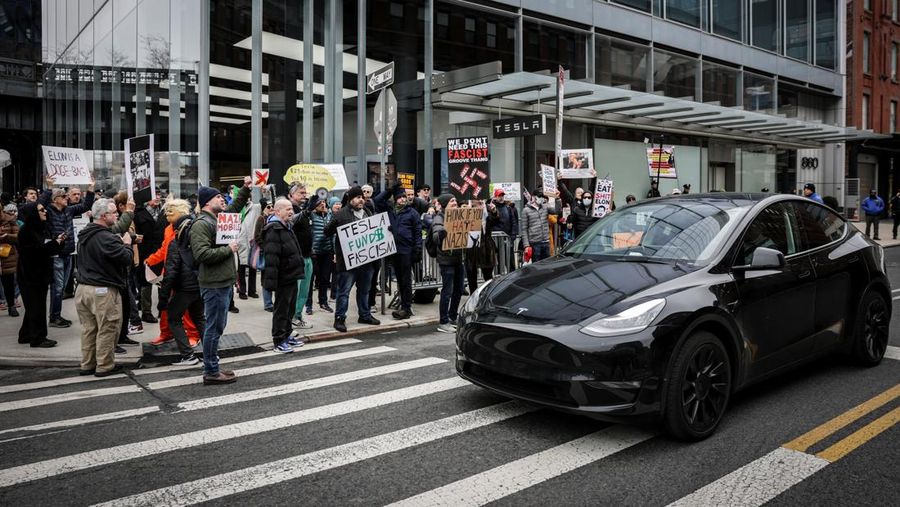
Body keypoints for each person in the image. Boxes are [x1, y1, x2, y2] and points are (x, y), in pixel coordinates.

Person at [191, 178, 252, 385]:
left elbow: (234, 208)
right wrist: (229, 249)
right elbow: (201, 254)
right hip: (214, 285)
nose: (223, 199)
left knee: (217, 327)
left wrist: (245, 189)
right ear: (208, 202)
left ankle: (213, 366)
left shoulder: (218, 219)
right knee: (213, 328)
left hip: (223, 282)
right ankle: (211, 371)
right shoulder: (202, 224)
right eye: (218, 196)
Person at [75, 198, 134, 377]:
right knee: (108, 328)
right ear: (103, 215)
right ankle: (105, 365)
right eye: (114, 212)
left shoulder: (86, 233)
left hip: (83, 289)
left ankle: (88, 364)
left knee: (89, 329)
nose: (117, 215)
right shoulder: (105, 237)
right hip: (102, 290)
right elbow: (126, 258)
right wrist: (127, 244)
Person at [145, 199, 202, 351]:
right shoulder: (168, 229)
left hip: (184, 275)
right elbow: (165, 249)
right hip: (169, 272)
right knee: (165, 307)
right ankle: (166, 333)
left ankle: (193, 334)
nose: (168, 213)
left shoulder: (190, 226)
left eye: (172, 210)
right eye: (167, 210)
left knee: (187, 309)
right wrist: (150, 260)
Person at [324, 185, 381, 332]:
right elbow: (327, 232)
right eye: (358, 197)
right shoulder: (341, 214)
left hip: (366, 261)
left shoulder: (368, 212)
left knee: (364, 290)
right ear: (350, 199)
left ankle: (365, 315)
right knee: (344, 291)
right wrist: (333, 223)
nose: (361, 200)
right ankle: (340, 318)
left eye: (362, 197)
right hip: (348, 262)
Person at [39, 182, 95, 328]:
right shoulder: (48, 211)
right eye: (63, 196)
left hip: (68, 253)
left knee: (61, 287)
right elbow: (39, 204)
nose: (66, 198)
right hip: (56, 254)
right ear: (54, 199)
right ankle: (54, 318)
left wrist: (90, 189)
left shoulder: (69, 210)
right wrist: (49, 188)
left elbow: (85, 206)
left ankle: (56, 316)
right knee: (57, 288)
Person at [17, 202, 65, 347]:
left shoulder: (39, 228)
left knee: (34, 306)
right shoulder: (26, 231)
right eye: (41, 210)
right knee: (37, 306)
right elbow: (35, 252)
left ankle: (26, 334)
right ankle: (38, 338)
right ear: (33, 213)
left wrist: (58, 242)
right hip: (31, 276)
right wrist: (55, 243)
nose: (45, 212)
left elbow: (45, 249)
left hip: (38, 274)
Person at [263, 198, 306, 353]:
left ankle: (287, 335)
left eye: (291, 209)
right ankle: (279, 340)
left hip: (291, 275)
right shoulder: (273, 229)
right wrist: (271, 283)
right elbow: (271, 258)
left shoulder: (286, 226)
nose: (291, 211)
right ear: (277, 211)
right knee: (281, 310)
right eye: (287, 209)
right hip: (282, 277)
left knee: (289, 309)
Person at [374, 183, 422, 320]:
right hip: (393, 249)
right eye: (399, 197)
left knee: (406, 280)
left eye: (404, 197)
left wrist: (417, 249)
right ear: (395, 199)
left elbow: (417, 232)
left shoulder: (412, 213)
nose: (402, 199)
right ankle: (403, 305)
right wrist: (389, 190)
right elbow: (377, 201)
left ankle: (406, 308)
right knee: (399, 280)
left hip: (406, 250)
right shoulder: (390, 210)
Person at [429, 194, 464, 333]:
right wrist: (443, 232)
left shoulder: (459, 215)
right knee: (447, 291)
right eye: (452, 201)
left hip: (457, 257)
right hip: (446, 259)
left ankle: (452, 317)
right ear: (445, 204)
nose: (455, 203)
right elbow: (436, 237)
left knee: (459, 289)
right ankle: (443, 321)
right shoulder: (439, 218)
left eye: (455, 200)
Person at [133, 197, 166, 323]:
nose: (157, 197)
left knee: (162, 280)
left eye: (158, 194)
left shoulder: (163, 211)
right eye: (153, 195)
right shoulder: (139, 214)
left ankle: (162, 310)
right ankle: (146, 311)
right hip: (145, 252)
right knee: (146, 281)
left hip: (161, 250)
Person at [292, 192, 318, 328]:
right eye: (301, 193)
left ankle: (298, 315)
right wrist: (305, 211)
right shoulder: (289, 208)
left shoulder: (307, 214)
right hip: (298, 258)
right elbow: (290, 221)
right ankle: (292, 316)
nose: (304, 196)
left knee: (305, 290)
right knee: (296, 290)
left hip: (307, 256)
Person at [310, 197, 336, 313]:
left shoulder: (329, 216)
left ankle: (323, 302)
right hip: (314, 252)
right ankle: (308, 304)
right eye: (319, 202)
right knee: (311, 279)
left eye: (324, 202)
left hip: (327, 251)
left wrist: (334, 251)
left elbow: (333, 234)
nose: (322, 204)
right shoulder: (311, 215)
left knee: (325, 279)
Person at [521, 189, 558, 263]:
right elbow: (524, 229)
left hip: (546, 242)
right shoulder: (526, 210)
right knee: (536, 266)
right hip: (534, 243)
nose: (542, 198)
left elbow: (557, 211)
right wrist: (526, 245)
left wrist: (557, 199)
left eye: (543, 197)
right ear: (534, 197)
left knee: (547, 265)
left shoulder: (545, 207)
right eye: (540, 196)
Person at [236, 196, 261, 300]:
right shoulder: (235, 209)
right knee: (241, 268)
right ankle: (242, 291)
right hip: (238, 242)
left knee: (252, 267)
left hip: (250, 240)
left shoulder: (254, 207)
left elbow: (264, 203)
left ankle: (252, 290)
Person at [487, 188, 518, 272]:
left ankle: (512, 279)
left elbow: (513, 222)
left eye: (502, 195)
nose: (501, 197)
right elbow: (491, 221)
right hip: (497, 240)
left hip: (508, 239)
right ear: (495, 197)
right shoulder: (491, 208)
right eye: (499, 195)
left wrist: (513, 235)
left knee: (511, 262)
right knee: (499, 263)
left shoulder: (508, 208)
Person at [254, 198, 275, 312]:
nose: (271, 208)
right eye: (268, 207)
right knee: (266, 278)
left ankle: (273, 302)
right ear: (263, 208)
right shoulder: (261, 219)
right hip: (266, 253)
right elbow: (257, 236)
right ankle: (268, 304)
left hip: (276, 254)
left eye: (272, 206)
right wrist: (266, 247)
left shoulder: (276, 219)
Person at [0, 204, 20, 317]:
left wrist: (7, 236)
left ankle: (11, 306)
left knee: (8, 282)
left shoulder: (10, 218)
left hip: (6, 255)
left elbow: (18, 236)